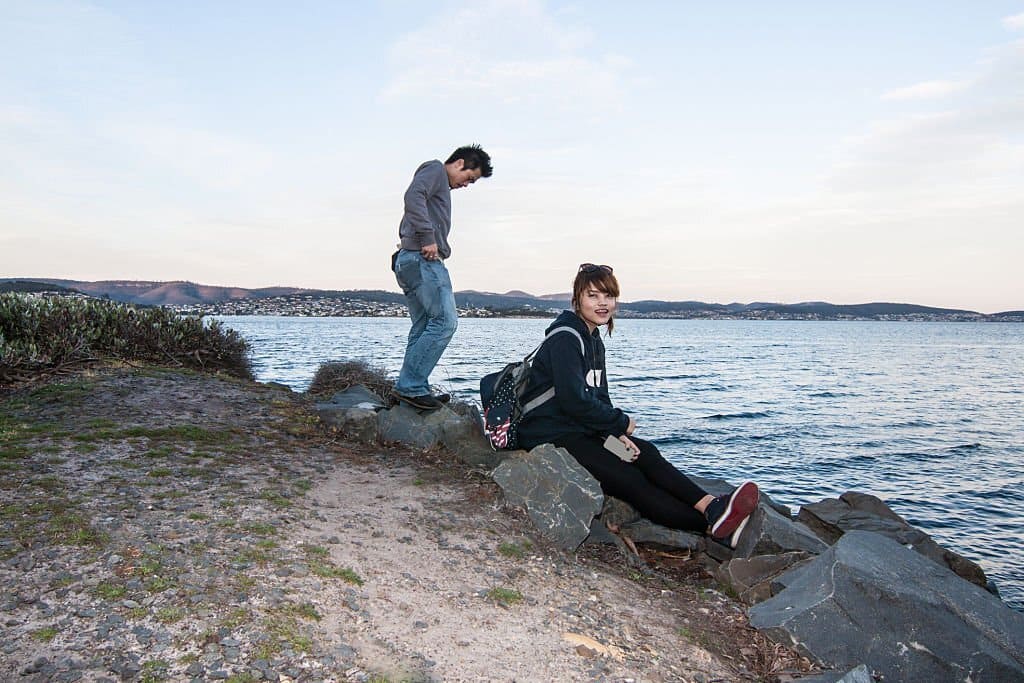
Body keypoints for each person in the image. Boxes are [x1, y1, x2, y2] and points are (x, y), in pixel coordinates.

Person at [517, 263, 760, 547]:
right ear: (577, 300)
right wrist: (619, 423)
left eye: (608, 296)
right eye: (593, 296)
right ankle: (711, 528)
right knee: (630, 480)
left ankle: (711, 506)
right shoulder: (566, 338)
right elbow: (572, 400)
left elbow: (598, 398)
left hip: (580, 429)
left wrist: (616, 434)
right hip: (552, 434)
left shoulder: (593, 339)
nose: (602, 303)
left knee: (644, 452)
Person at [391, 144, 493, 410]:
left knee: (424, 326)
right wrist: (427, 237)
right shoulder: (435, 169)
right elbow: (413, 195)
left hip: (408, 259)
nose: (467, 185)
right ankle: (410, 386)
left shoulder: (438, 182)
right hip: (422, 258)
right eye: (470, 178)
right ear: (459, 163)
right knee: (445, 322)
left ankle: (413, 387)